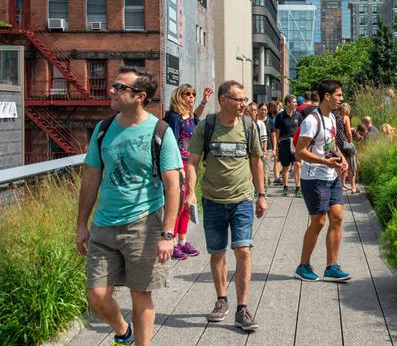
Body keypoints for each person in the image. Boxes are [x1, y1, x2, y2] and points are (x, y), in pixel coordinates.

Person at [76, 66, 182, 346]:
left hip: (144, 224)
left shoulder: (160, 131)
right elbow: (90, 179)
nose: (112, 90)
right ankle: (123, 331)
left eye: (120, 87)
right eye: (114, 85)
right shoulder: (103, 129)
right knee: (96, 295)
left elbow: (174, 186)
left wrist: (167, 234)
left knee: (140, 294)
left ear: (140, 96)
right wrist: (81, 225)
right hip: (103, 225)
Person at [185, 80, 267, 332]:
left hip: (242, 199)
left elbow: (256, 162)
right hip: (213, 201)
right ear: (223, 100)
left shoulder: (249, 126)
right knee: (218, 252)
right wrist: (190, 193)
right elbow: (193, 162)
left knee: (243, 251)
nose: (243, 104)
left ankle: (242, 308)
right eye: (238, 100)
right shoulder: (207, 126)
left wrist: (261, 194)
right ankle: (222, 300)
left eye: (244, 100)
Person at [294, 79, 350, 283]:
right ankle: (303, 265)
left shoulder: (333, 118)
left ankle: (331, 266)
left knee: (337, 217)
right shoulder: (311, 120)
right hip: (314, 178)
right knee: (318, 221)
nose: (341, 99)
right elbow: (299, 152)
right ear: (327, 96)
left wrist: (341, 158)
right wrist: (324, 162)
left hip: (331, 175)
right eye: (338, 95)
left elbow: (331, 143)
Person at [164, 83, 213, 260]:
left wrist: (204, 101)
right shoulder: (175, 118)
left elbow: (195, 120)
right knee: (177, 204)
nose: (191, 97)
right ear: (179, 96)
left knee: (188, 202)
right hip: (179, 165)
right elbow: (172, 143)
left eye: (193, 94)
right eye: (187, 94)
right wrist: (177, 167)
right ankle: (173, 242)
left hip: (191, 164)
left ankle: (183, 241)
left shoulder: (191, 117)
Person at [273, 94, 303, 197]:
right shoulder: (280, 116)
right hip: (284, 143)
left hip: (295, 144)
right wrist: (276, 146)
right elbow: (277, 132)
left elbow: (301, 130)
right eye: (294, 102)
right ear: (288, 103)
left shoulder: (298, 115)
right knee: (285, 166)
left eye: (295, 102)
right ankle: (285, 187)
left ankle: (298, 188)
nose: (296, 104)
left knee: (298, 165)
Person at [335, 103, 356, 193]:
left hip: (337, 144)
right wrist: (350, 142)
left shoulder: (335, 117)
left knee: (340, 164)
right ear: (346, 110)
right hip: (344, 143)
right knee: (351, 164)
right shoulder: (346, 118)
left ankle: (340, 184)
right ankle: (353, 187)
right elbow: (348, 132)